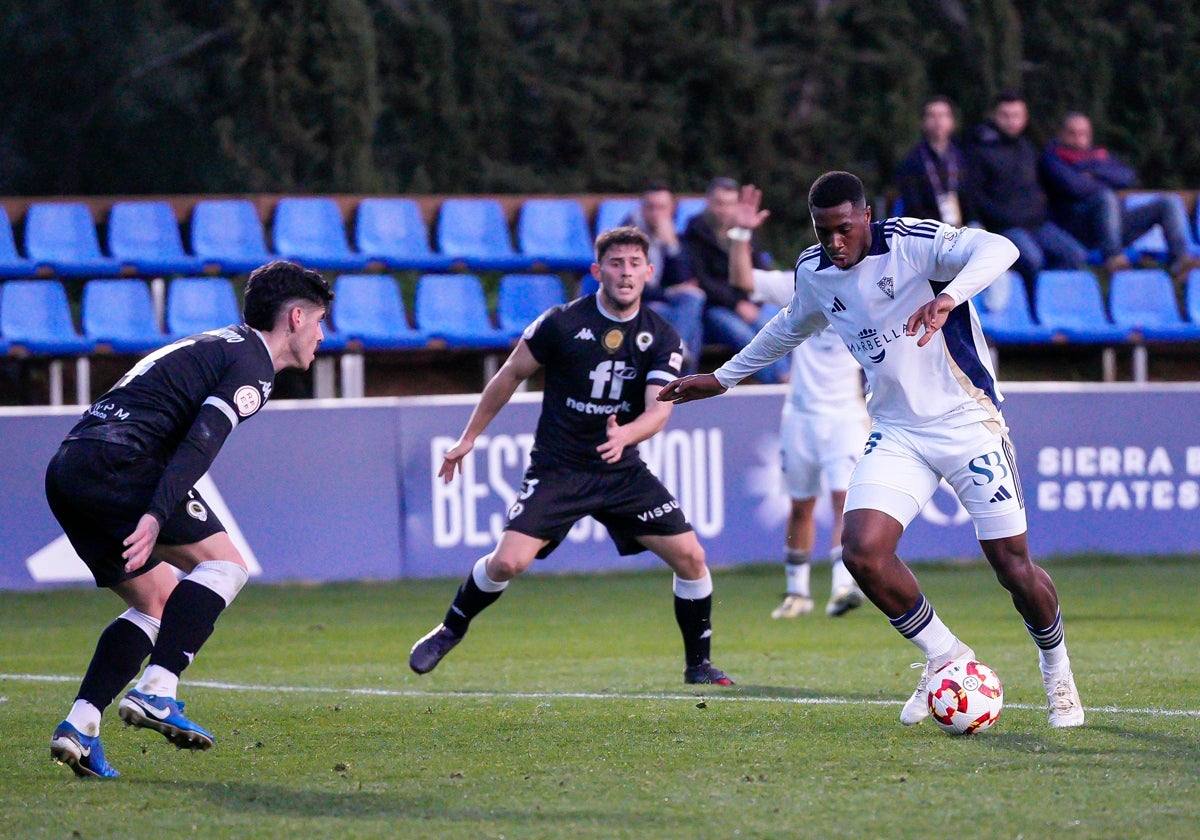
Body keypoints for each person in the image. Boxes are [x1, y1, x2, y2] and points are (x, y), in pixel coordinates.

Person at [660, 171, 1085, 729]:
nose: (834, 243)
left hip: (967, 422)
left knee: (1012, 566)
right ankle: (945, 656)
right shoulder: (814, 271)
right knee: (861, 552)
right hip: (897, 431)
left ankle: (1057, 671)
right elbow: (788, 326)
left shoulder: (911, 242)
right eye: (822, 231)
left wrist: (950, 297)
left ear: (864, 217)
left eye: (842, 229)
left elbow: (1000, 247)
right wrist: (722, 378)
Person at [409, 226, 734, 686]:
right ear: (597, 271)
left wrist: (627, 436)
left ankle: (698, 665)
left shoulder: (661, 336)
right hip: (560, 467)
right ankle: (449, 629)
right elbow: (508, 375)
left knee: (691, 556)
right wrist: (469, 437)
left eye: (634, 264)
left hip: (620, 470)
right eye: (616, 264)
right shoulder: (561, 322)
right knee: (507, 563)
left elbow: (658, 411)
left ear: (649, 271)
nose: (625, 273)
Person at [45, 260, 334, 777]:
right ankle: (158, 688)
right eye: (318, 321)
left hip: (71, 466)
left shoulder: (225, 344)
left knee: (155, 602)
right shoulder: (254, 366)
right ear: (294, 318)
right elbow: (201, 442)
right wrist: (156, 514)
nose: (321, 333)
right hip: (123, 462)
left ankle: (81, 726)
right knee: (226, 566)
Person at [726, 186, 867, 618]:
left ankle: (843, 586)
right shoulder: (802, 281)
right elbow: (742, 281)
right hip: (801, 413)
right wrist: (739, 235)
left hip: (845, 412)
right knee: (801, 504)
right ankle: (798, 593)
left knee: (844, 499)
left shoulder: (868, 286)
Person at [1041, 111, 1200, 278]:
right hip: (1077, 229)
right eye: (1072, 133)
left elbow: (1127, 177)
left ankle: (1180, 261)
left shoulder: (1096, 156)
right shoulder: (1051, 159)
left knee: (1168, 203)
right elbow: (1077, 187)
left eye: (1083, 133)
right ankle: (1114, 258)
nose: (1078, 138)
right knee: (1106, 197)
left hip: (1113, 224)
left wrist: (1089, 169)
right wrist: (1102, 176)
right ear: (1061, 134)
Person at [964, 90, 1087, 300]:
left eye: (1016, 115)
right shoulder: (978, 149)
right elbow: (973, 195)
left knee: (1075, 255)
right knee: (1033, 259)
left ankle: (1052, 303)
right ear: (995, 116)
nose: (1011, 121)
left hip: (1037, 224)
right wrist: (997, 218)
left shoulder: (1028, 146)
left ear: (1025, 118)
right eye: (1005, 115)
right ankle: (1031, 308)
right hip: (1004, 227)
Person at [682, 176, 790, 383]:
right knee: (748, 339)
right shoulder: (694, 232)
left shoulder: (743, 229)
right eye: (719, 203)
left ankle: (785, 379)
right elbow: (701, 280)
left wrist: (753, 302)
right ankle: (777, 386)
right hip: (715, 308)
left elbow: (759, 268)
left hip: (749, 302)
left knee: (778, 325)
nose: (724, 210)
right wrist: (736, 303)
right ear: (709, 202)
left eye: (730, 204)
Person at [623, 182, 706, 374]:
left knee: (695, 297)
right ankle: (683, 383)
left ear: (672, 209)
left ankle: (678, 353)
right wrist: (669, 292)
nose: (656, 214)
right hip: (640, 303)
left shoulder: (673, 235)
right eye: (650, 207)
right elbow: (630, 286)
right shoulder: (627, 239)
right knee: (690, 323)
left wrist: (671, 247)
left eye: (662, 208)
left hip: (665, 300)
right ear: (642, 208)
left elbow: (683, 279)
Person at [894, 96, 973, 226]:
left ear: (952, 121)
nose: (938, 121)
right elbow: (913, 205)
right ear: (922, 122)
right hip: (927, 230)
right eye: (932, 116)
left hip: (961, 228)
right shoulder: (912, 161)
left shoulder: (963, 157)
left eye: (943, 115)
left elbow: (970, 197)